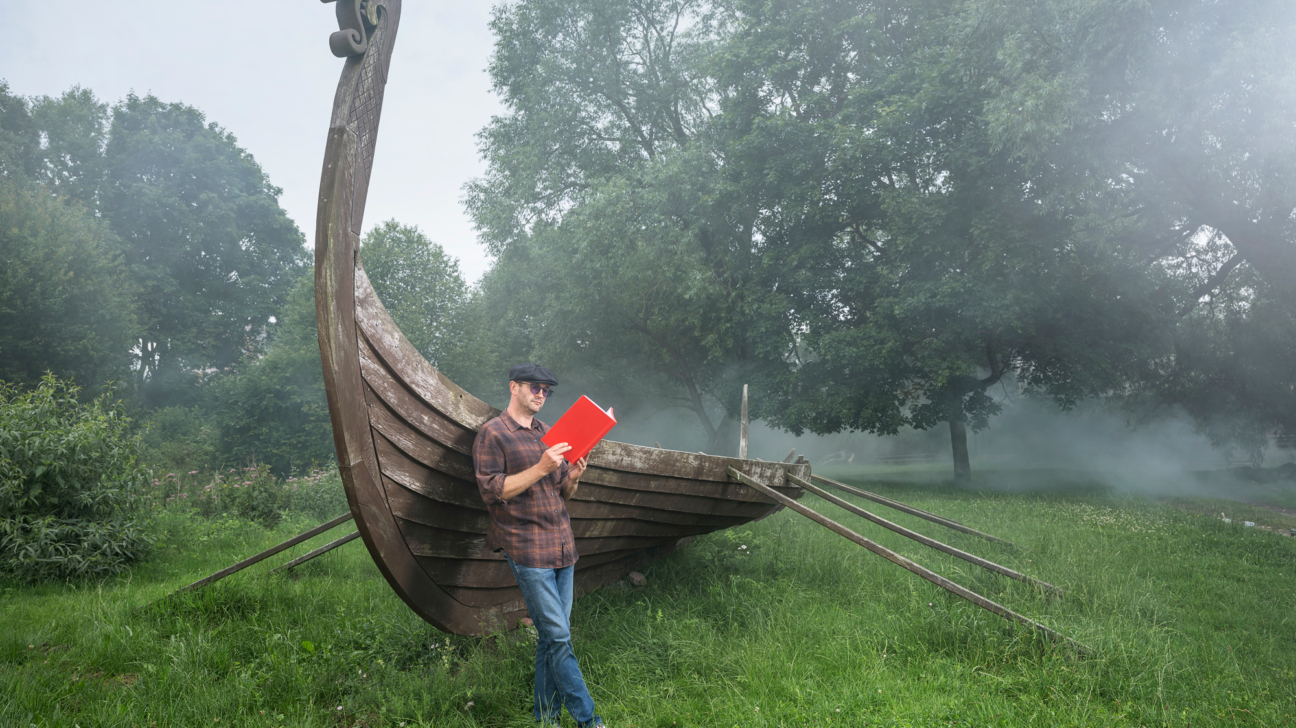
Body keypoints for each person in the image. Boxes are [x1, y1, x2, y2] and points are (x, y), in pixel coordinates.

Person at [472, 363, 606, 728]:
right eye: (535, 387)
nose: (541, 394)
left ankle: (547, 720)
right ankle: (589, 720)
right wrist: (542, 467)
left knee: (550, 639)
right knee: (559, 636)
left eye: (547, 390)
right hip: (527, 549)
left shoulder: (550, 432)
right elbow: (492, 492)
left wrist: (573, 477)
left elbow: (563, 492)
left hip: (563, 546)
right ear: (513, 387)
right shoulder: (492, 434)